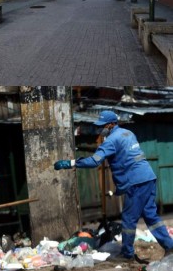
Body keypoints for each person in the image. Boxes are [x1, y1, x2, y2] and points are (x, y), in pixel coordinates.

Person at [54, 110, 173, 262]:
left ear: (111, 124)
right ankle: (169, 246)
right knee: (151, 216)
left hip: (135, 182)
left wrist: (69, 163)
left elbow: (94, 161)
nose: (100, 129)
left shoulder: (111, 140)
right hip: (148, 177)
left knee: (129, 220)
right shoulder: (127, 133)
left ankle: (127, 255)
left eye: (102, 126)